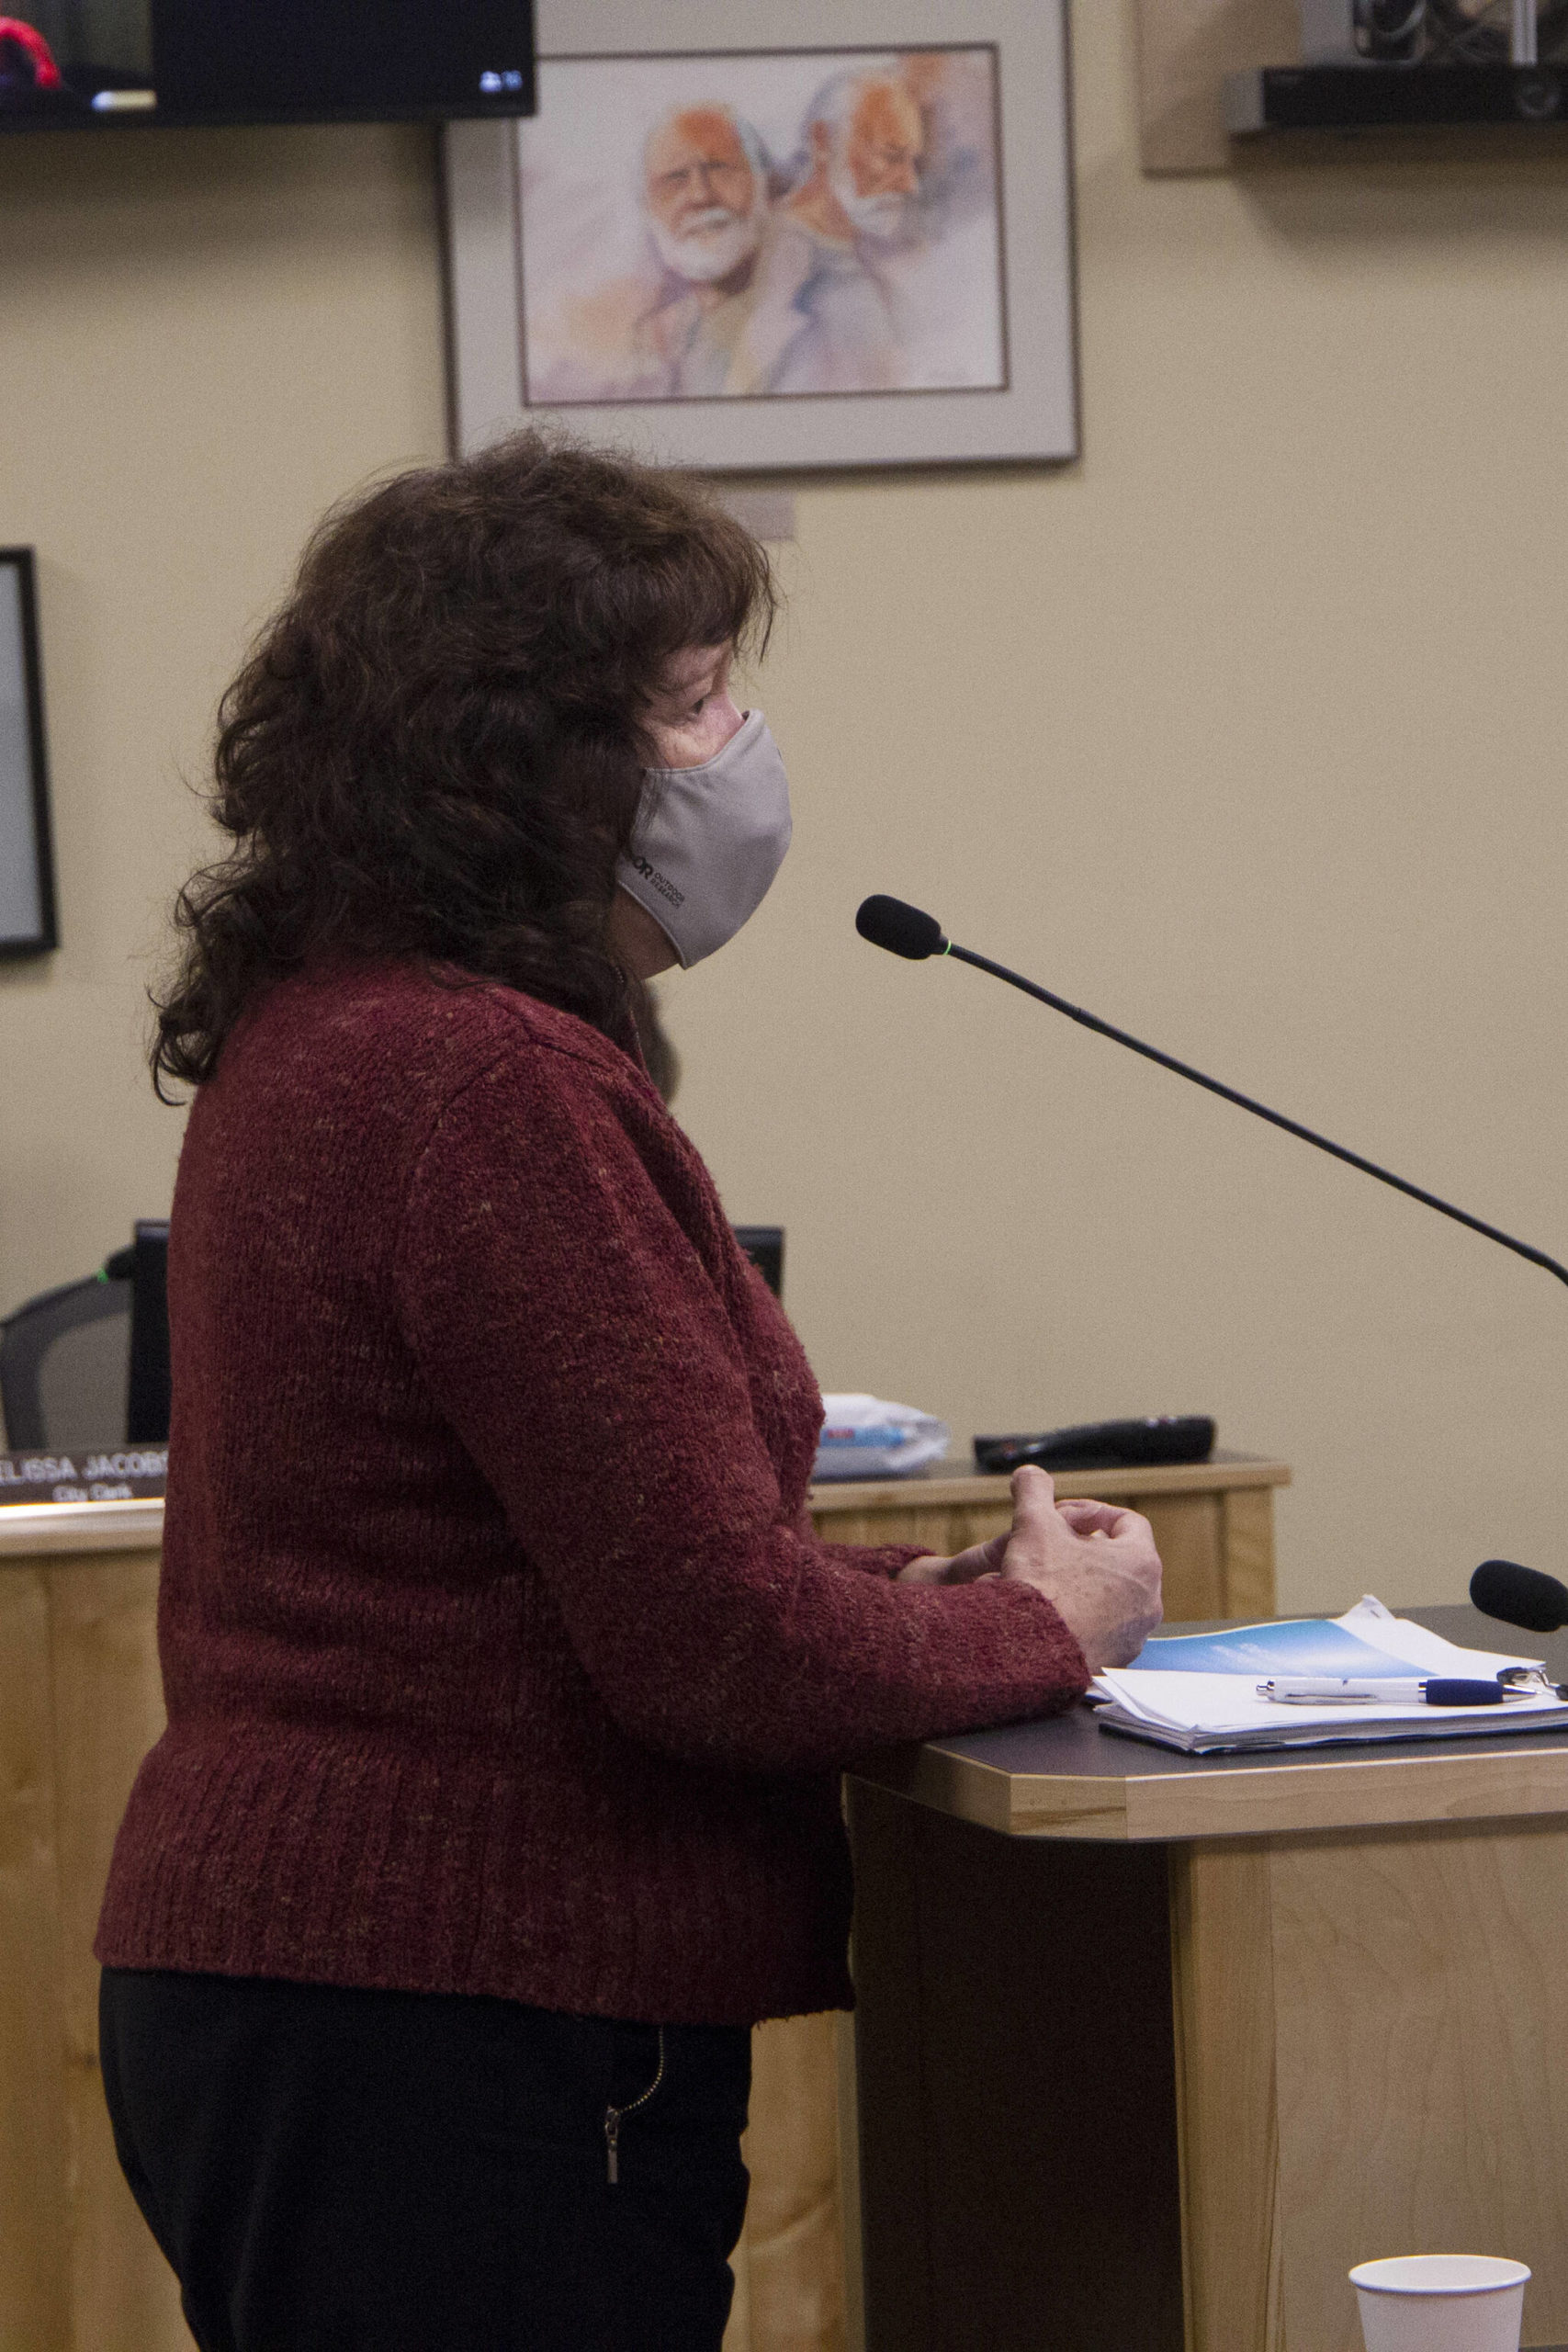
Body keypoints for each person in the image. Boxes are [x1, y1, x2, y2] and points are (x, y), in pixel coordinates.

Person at [94, 432, 1162, 2352]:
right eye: (687, 704)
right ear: (520, 762)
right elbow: (711, 1653)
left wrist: (902, 1612)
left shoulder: (344, 1025)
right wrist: (1039, 1626)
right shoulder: (479, 1079)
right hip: (461, 2023)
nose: (738, 745)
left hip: (346, 1998)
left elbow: (564, 1572)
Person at [728, 68, 925, 397]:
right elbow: (747, 382)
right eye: (891, 157)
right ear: (823, 142)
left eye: (912, 162)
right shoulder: (787, 254)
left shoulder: (859, 247)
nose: (909, 184)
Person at [633, 103, 771, 397]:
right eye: (675, 179)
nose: (700, 195)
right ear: (648, 207)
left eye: (719, 168)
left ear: (761, 184)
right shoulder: (660, 337)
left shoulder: (814, 310)